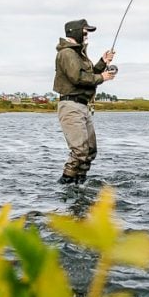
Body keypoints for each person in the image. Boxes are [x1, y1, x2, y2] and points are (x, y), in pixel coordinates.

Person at [53, 18, 116, 185]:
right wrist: (102, 77)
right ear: (75, 32)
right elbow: (77, 78)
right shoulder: (67, 53)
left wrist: (103, 62)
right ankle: (64, 185)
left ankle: (79, 183)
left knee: (90, 150)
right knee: (80, 151)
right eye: (85, 32)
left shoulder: (78, 54)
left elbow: (89, 75)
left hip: (82, 106)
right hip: (70, 106)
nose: (87, 35)